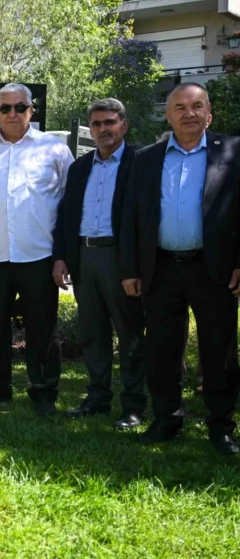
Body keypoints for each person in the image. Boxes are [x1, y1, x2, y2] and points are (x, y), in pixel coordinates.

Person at [120, 83, 240, 455]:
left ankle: (221, 427)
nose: (189, 113)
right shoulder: (147, 158)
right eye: (180, 107)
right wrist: (129, 269)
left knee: (218, 351)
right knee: (162, 348)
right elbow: (130, 217)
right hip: (161, 269)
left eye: (197, 106)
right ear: (168, 115)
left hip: (214, 269)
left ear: (209, 113)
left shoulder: (234, 152)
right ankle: (167, 419)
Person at [0, 83, 74, 416]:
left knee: (42, 327)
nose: (12, 113)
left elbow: (69, 204)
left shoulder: (54, 150)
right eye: (5, 108)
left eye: (19, 107)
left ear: (31, 110)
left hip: (38, 255)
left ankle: (44, 391)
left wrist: (63, 254)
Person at [53, 98, 146, 428]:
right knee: (92, 332)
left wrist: (134, 266)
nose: (103, 129)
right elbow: (66, 216)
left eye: (110, 122)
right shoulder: (80, 167)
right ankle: (97, 397)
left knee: (130, 332)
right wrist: (62, 257)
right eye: (97, 124)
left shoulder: (140, 162)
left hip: (120, 258)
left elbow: (145, 219)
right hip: (84, 257)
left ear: (124, 124)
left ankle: (134, 404)